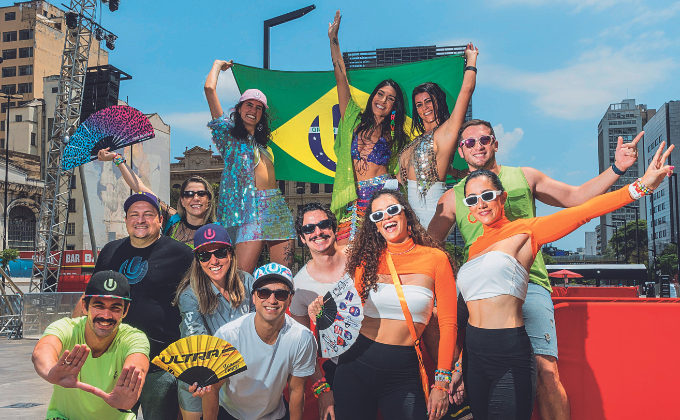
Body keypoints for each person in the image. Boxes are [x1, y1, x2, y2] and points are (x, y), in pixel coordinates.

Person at [428, 119, 643, 420]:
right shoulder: (452, 197)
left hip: (527, 282)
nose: (477, 145)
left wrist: (619, 170)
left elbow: (577, 201)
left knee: (545, 371)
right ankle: (455, 385)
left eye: (484, 139)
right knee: (440, 323)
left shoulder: (525, 177)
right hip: (476, 287)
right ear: (461, 152)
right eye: (469, 142)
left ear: (495, 143)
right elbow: (427, 247)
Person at [310, 190, 458, 420]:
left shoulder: (435, 259)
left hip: (402, 371)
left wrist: (442, 382)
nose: (386, 217)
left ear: (405, 213)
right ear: (375, 226)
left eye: (392, 210)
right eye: (378, 215)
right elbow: (348, 314)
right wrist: (321, 312)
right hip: (354, 366)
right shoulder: (366, 260)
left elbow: (448, 324)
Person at [74, 191, 195, 420]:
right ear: (126, 220)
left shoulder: (182, 255)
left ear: (160, 220)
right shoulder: (111, 250)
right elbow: (90, 297)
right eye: (134, 214)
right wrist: (73, 336)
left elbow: (197, 304)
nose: (140, 220)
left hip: (159, 366)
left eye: (148, 214)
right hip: (114, 361)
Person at [190, 262, 317, 420]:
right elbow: (212, 389)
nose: (272, 300)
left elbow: (297, 390)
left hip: (273, 414)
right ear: (254, 298)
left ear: (290, 300)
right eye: (264, 292)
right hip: (230, 412)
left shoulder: (302, 337)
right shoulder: (229, 335)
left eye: (281, 294)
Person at [205, 60, 296, 273]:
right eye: (249, 105)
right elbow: (209, 89)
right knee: (242, 277)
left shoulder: (265, 144)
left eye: (258, 107)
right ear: (239, 108)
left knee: (283, 276)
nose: (253, 110)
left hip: (276, 207)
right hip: (249, 210)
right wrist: (218, 66)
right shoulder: (228, 138)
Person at [327, 11, 410, 244]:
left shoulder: (395, 135)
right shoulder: (352, 119)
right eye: (380, 94)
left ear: (395, 106)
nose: (382, 100)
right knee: (346, 253)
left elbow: (403, 169)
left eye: (390, 98)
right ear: (373, 96)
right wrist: (333, 39)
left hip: (382, 196)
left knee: (380, 253)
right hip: (353, 196)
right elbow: (340, 77)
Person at [33, 271, 150, 420]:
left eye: (115, 308)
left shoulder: (133, 337)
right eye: (99, 305)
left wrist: (133, 385)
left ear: (125, 311)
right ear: (84, 306)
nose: (106, 315)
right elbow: (44, 348)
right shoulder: (67, 327)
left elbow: (138, 362)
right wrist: (50, 371)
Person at [174, 224, 255, 420]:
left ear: (231, 254)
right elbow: (196, 341)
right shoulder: (189, 295)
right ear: (197, 260)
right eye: (204, 255)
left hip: (242, 374)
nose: (213, 261)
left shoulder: (247, 282)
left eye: (220, 253)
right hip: (202, 373)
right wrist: (203, 375)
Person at [397, 44, 478, 228]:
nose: (424, 108)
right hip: (409, 214)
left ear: (438, 101)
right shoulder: (415, 141)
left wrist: (471, 59)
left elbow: (466, 91)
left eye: (428, 101)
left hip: (431, 211)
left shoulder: (447, 131)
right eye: (418, 105)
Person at [289, 202, 348, 420]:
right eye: (309, 229)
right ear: (302, 238)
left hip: (385, 361)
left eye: (323, 224)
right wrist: (321, 388)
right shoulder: (300, 285)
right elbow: (305, 346)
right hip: (343, 371)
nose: (318, 232)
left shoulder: (359, 257)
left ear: (333, 228)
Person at [98, 148, 216, 248]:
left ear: (209, 200)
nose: (195, 198)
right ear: (182, 201)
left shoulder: (217, 231)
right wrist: (116, 158)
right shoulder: (172, 221)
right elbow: (139, 187)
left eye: (201, 193)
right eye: (189, 194)